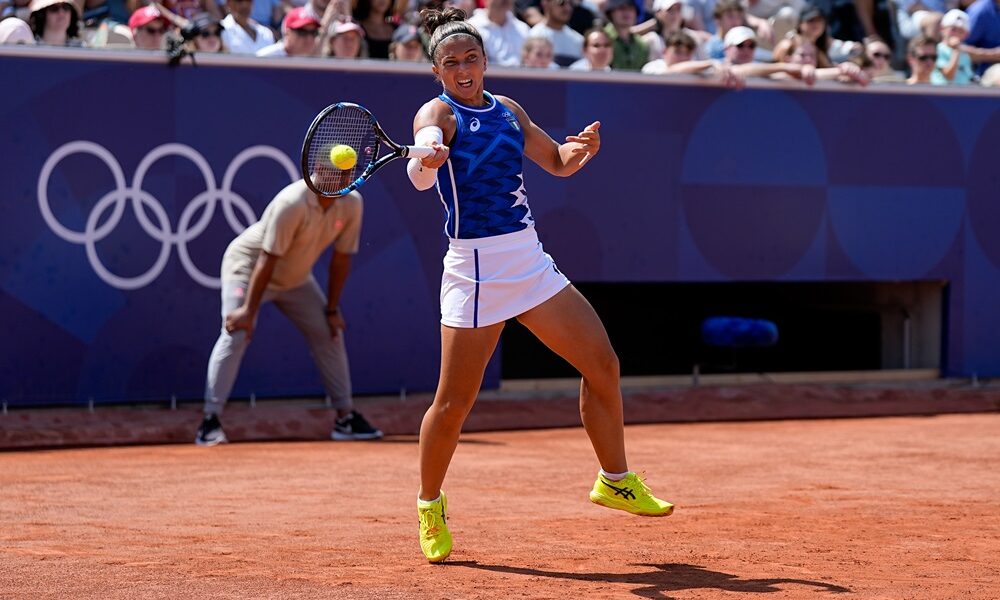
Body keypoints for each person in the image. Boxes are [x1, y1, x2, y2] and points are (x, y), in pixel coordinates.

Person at [407, 6, 674, 564]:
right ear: (437, 70)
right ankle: (430, 505)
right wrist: (427, 158)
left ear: (485, 61)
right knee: (453, 404)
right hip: (475, 271)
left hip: (528, 261)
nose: (462, 68)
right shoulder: (438, 111)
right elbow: (419, 168)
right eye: (451, 62)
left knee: (602, 363)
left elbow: (554, 160)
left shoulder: (508, 110)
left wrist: (583, 151)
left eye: (471, 59)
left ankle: (615, 479)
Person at [194, 177, 383, 446]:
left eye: (346, 175)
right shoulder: (291, 202)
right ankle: (209, 422)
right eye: (330, 172)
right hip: (248, 269)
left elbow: (341, 259)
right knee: (236, 332)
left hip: (296, 280)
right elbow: (266, 259)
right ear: (315, 170)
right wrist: (248, 310)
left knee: (329, 332)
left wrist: (331, 309)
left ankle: (346, 419)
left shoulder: (352, 204)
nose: (339, 179)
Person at [932, 8, 974, 84]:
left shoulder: (965, 54)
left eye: (961, 31)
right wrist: (956, 50)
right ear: (942, 28)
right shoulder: (936, 50)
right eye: (953, 29)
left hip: (962, 94)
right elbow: (949, 75)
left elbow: (969, 78)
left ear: (966, 35)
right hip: (941, 94)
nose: (956, 34)